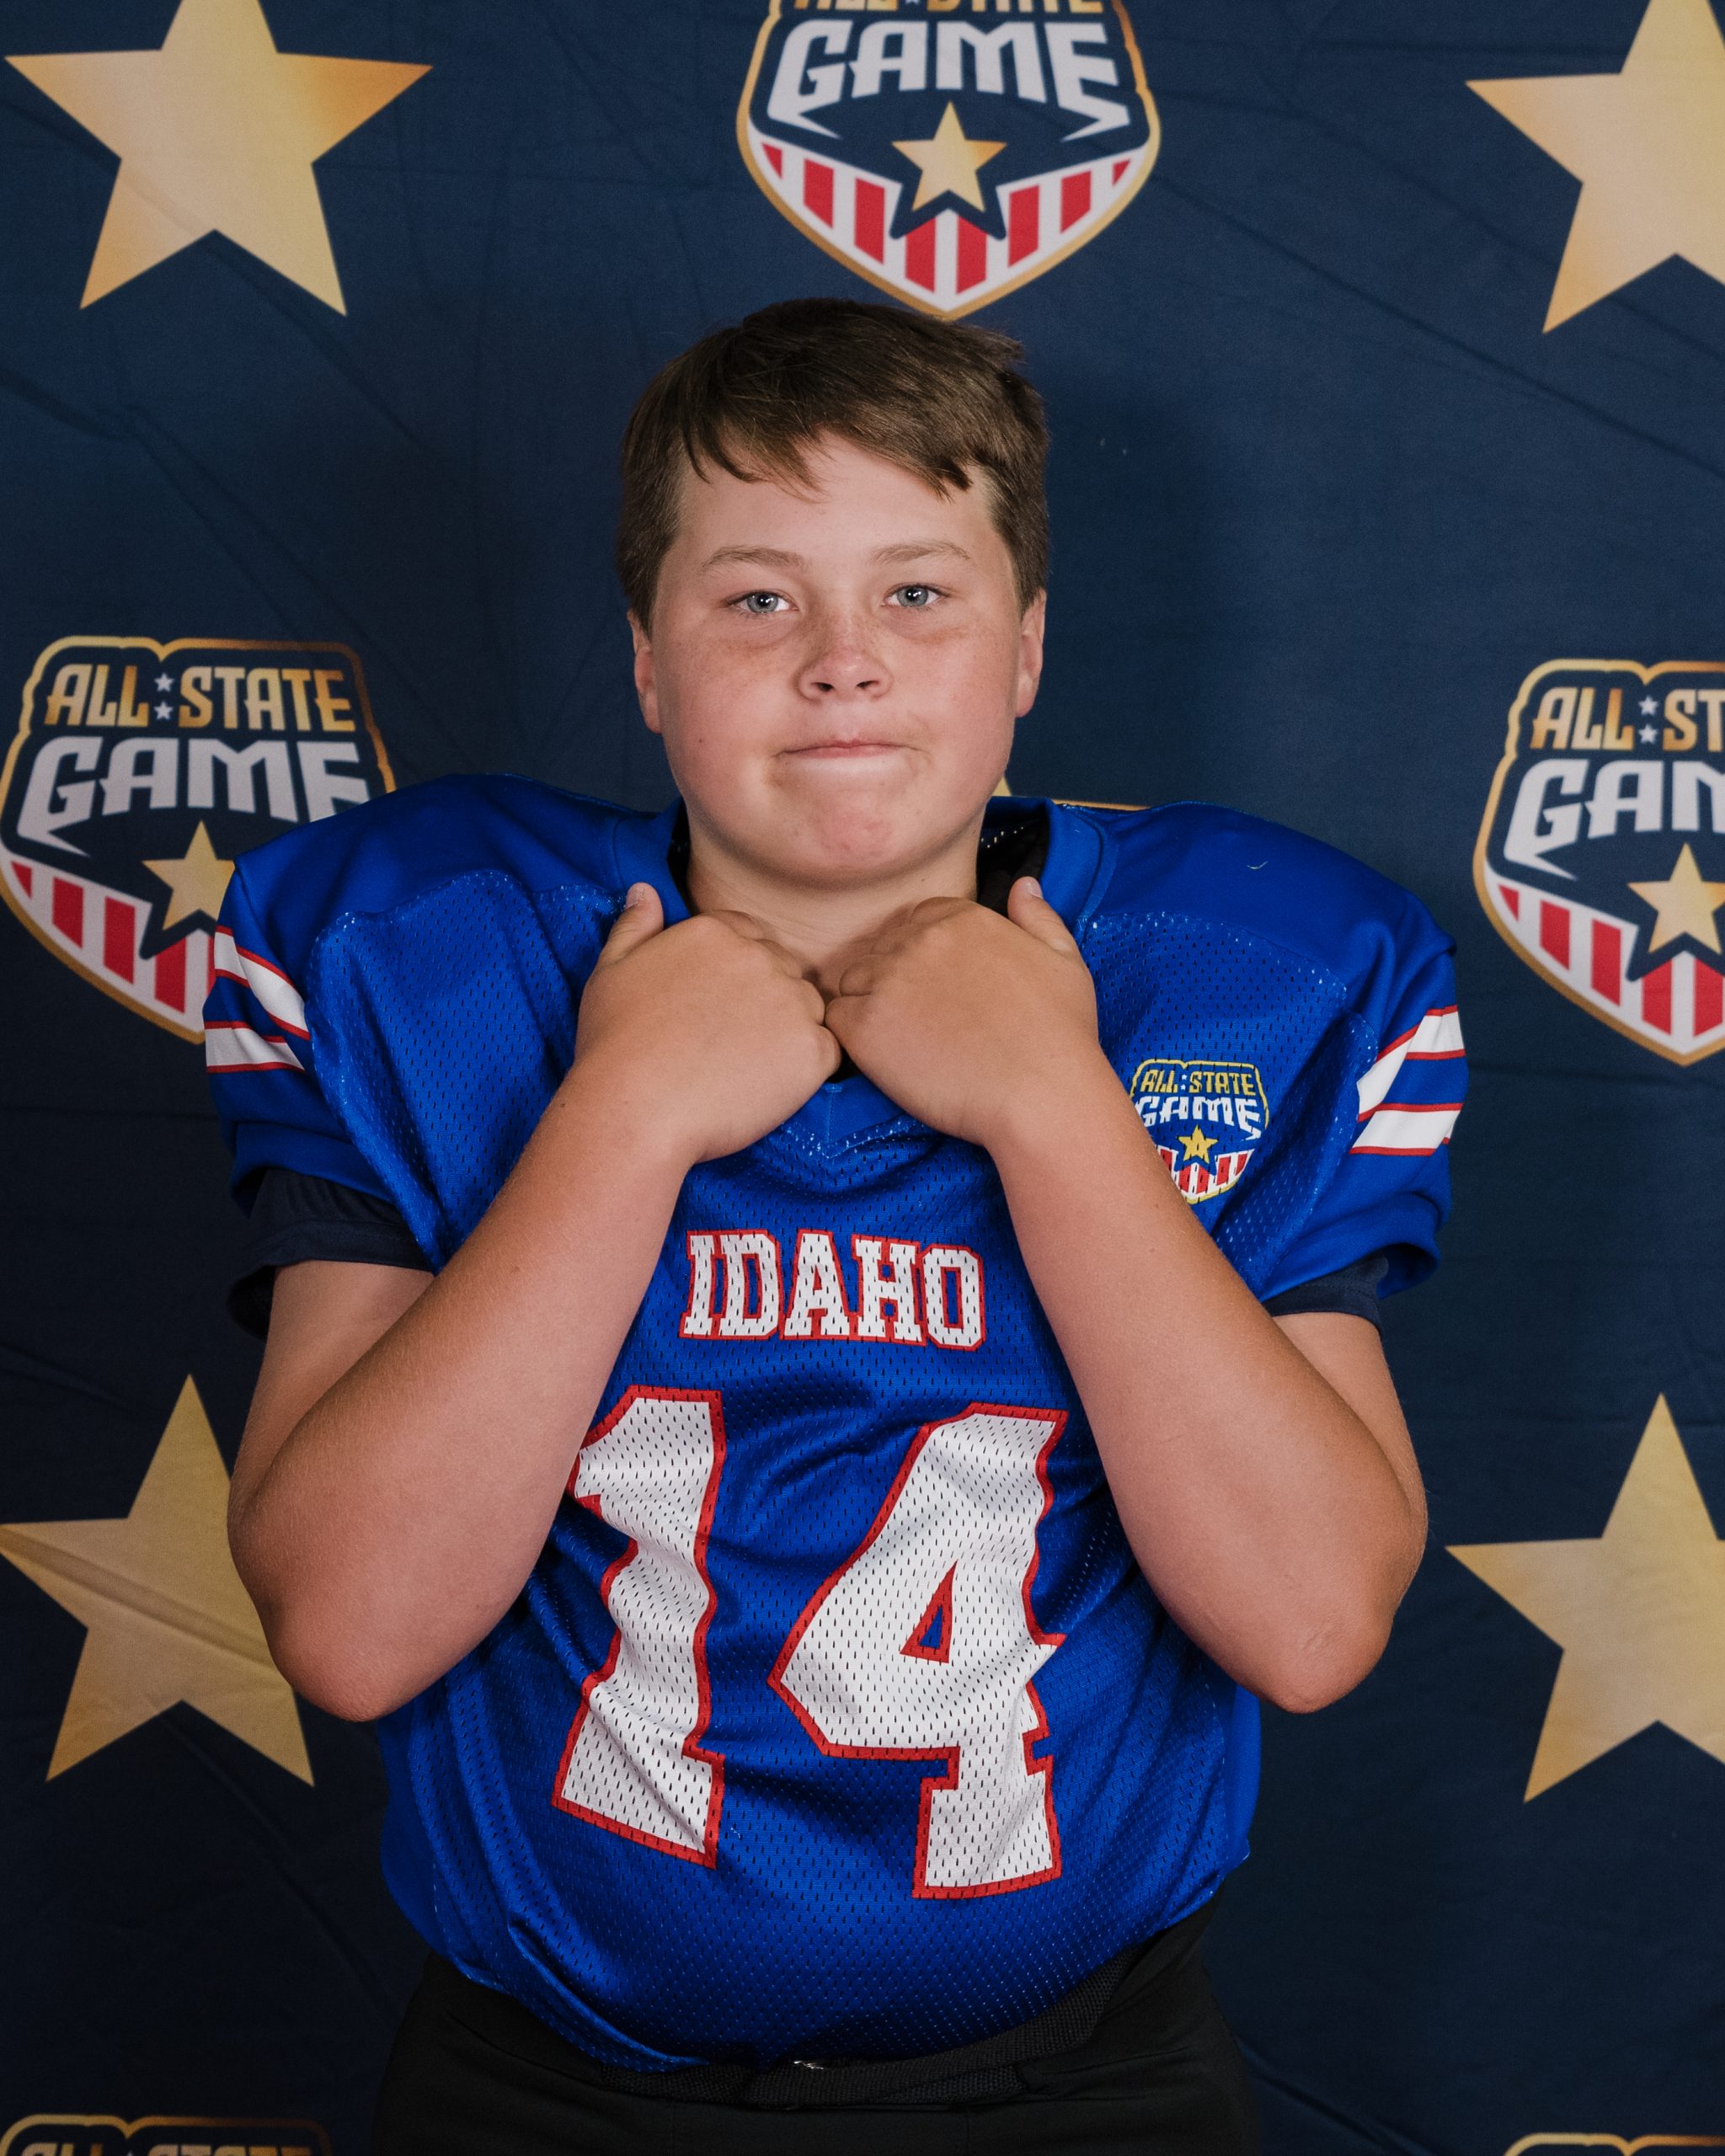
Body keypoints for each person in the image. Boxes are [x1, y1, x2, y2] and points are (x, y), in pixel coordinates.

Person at [206, 298, 1465, 2155]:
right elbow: (351, 1624)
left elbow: (1306, 1619)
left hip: (1080, 2092)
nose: (843, 664)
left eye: (918, 593)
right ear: (647, 659)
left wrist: (1054, 1105)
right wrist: (624, 1114)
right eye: (756, 599)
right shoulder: (414, 946)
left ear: (1027, 646)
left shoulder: (1256, 968)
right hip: (550, 2093)